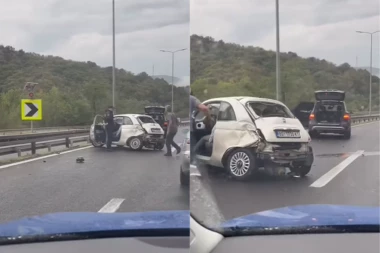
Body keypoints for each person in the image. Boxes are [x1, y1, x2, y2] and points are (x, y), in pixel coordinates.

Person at [190, 90, 209, 164]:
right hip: (190, 127)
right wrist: (208, 114)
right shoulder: (192, 98)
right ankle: (193, 163)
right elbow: (204, 108)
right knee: (192, 147)